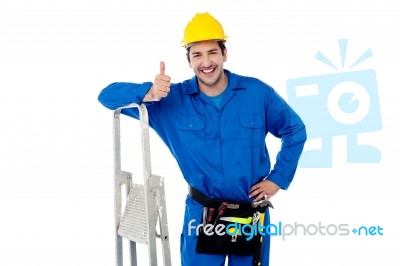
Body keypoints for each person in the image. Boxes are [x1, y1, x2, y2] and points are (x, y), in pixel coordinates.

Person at [98, 12, 306, 266]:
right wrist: (149, 92)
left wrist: (278, 179)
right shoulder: (171, 100)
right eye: (197, 55)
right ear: (188, 60)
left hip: (250, 214)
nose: (206, 62)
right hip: (202, 213)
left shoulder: (256, 93)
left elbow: (295, 130)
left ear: (224, 54)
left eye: (212, 52)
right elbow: (106, 96)